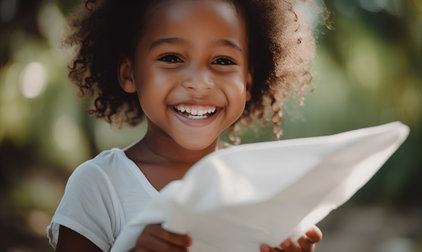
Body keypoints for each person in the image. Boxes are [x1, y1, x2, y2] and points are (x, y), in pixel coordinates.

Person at [47, 0, 324, 251]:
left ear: (248, 83)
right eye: (171, 58)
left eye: (223, 61)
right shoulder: (100, 185)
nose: (199, 81)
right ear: (129, 73)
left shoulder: (259, 184)